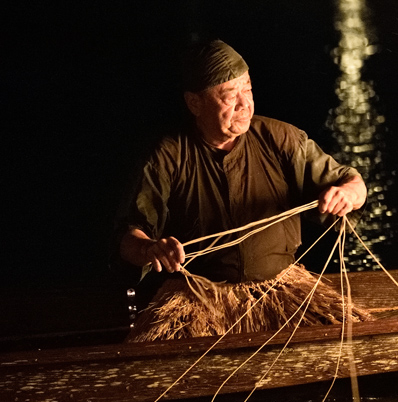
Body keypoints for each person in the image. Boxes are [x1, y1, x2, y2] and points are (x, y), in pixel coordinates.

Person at [117, 39, 369, 341]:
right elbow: (130, 236)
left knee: (348, 340)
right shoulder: (167, 155)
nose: (244, 104)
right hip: (199, 297)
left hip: (281, 289)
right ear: (195, 103)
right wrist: (150, 249)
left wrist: (347, 194)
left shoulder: (282, 138)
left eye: (247, 89)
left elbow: (353, 183)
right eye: (229, 96)